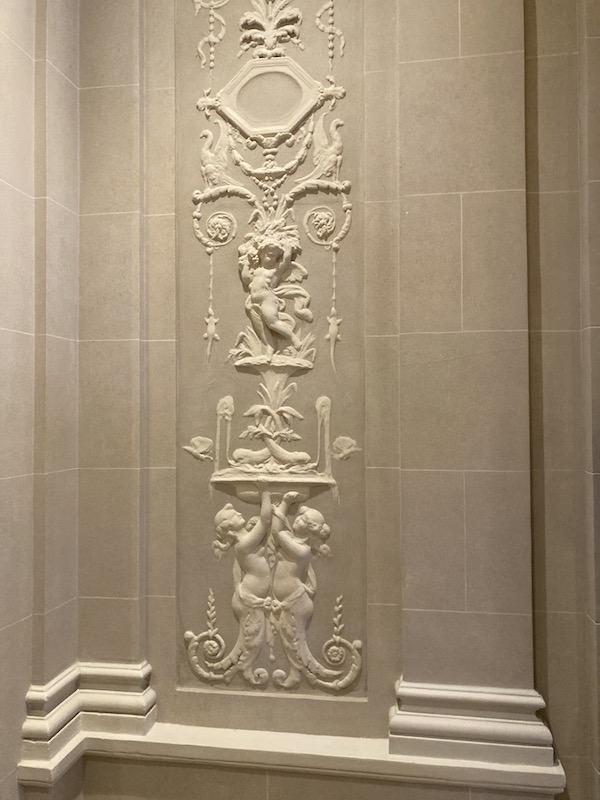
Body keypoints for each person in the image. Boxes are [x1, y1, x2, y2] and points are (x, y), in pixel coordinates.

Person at [209, 486, 273, 684]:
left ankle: (232, 669)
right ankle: (240, 671)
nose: (238, 512)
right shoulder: (244, 544)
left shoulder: (245, 539)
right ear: (230, 528)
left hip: (249, 596)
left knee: (250, 640)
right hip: (249, 598)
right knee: (252, 642)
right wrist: (265, 492)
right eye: (234, 515)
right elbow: (266, 521)